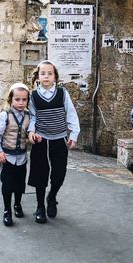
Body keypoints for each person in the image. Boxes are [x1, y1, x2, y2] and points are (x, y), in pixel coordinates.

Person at [28, 60, 80, 223]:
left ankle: (52, 197)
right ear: (37, 76)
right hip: (41, 139)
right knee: (40, 174)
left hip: (59, 139)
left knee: (59, 174)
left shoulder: (62, 93)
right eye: (43, 73)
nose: (46, 76)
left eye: (50, 73)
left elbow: (70, 113)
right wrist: (31, 132)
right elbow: (32, 117)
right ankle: (40, 207)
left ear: (55, 77)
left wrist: (74, 134)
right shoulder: (33, 96)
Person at [0, 83, 30, 226]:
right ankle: (7, 211)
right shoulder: (5, 116)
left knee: (20, 185)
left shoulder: (28, 116)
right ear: (10, 100)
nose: (20, 103)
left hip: (22, 158)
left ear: (27, 101)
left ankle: (17, 205)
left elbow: (30, 132)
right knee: (7, 186)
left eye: (24, 100)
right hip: (7, 157)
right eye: (17, 99)